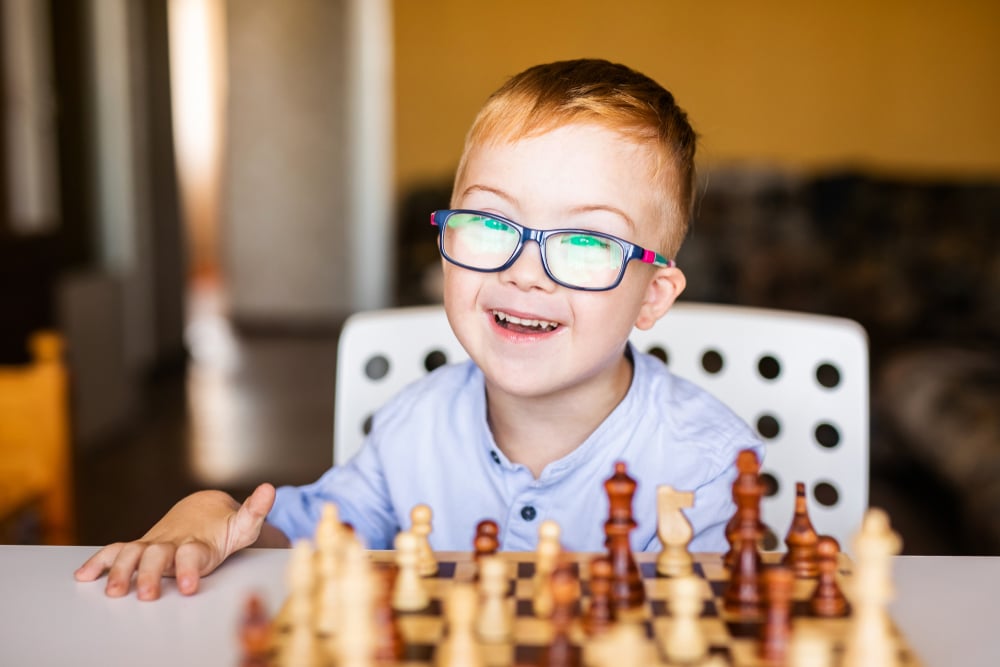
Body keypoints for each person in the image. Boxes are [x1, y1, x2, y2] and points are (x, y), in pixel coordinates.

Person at [75, 59, 762, 600]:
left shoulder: (712, 469)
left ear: (653, 297)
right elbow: (308, 534)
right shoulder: (414, 425)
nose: (527, 272)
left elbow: (739, 624)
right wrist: (210, 512)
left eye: (586, 243)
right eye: (492, 225)